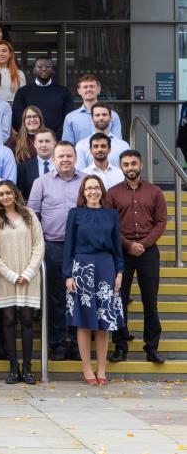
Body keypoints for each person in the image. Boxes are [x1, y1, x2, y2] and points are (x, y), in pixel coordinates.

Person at [106, 150, 167, 364]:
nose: (130, 167)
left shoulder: (155, 191)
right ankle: (120, 346)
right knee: (119, 300)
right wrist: (129, 245)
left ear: (140, 165)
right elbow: (110, 224)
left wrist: (144, 244)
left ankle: (151, 347)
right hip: (122, 253)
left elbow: (161, 222)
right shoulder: (112, 194)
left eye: (133, 163)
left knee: (150, 301)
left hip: (148, 252)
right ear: (121, 167)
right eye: (126, 164)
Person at [64, 175, 125, 385]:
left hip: (106, 267)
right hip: (81, 268)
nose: (93, 192)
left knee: (103, 322)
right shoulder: (75, 214)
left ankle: (101, 368)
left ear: (102, 191)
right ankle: (87, 367)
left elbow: (117, 246)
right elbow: (68, 246)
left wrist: (119, 273)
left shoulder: (112, 215)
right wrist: (68, 275)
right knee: (83, 322)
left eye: (96, 188)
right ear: (83, 192)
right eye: (88, 188)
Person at [28, 141, 84, 361]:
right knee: (55, 297)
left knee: (80, 296)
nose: (65, 160)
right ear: (53, 159)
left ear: (76, 158)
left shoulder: (86, 181)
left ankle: (78, 343)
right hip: (53, 245)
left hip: (81, 248)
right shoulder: (41, 182)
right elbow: (33, 215)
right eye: (61, 156)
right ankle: (57, 344)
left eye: (69, 156)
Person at [0, 180, 44, 384]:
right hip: (6, 278)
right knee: (9, 320)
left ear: (15, 194)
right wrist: (11, 275)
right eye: (1, 194)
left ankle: (28, 369)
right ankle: (13, 368)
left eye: (8, 193)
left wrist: (28, 272)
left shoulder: (29, 215)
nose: (5, 197)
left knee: (28, 320)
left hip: (28, 275)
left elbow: (39, 244)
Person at [11, 56, 74, 136]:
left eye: (47, 66)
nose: (44, 69)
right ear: (34, 70)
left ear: (52, 70)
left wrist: (55, 137)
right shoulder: (22, 92)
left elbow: (69, 118)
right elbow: (17, 120)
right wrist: (31, 137)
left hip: (57, 141)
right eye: (40, 67)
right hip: (29, 141)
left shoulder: (64, 92)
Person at [62, 74, 123, 145]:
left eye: (92, 86)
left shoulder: (113, 115)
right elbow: (68, 145)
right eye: (85, 87)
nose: (88, 89)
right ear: (79, 91)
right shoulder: (70, 118)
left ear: (99, 89)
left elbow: (117, 144)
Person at [74, 103, 130, 169]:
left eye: (104, 115)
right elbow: (80, 173)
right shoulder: (81, 145)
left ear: (111, 118)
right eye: (97, 115)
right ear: (92, 119)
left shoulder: (123, 146)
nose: (101, 118)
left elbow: (127, 172)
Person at [17, 128, 56, 201]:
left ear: (54, 143)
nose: (44, 145)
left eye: (47, 141)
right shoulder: (23, 168)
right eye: (40, 141)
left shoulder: (61, 166)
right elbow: (20, 195)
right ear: (35, 144)